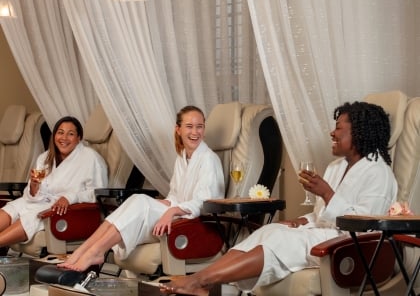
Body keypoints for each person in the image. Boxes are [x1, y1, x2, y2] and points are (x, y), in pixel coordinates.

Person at [160, 101, 398, 296]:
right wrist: (300, 222)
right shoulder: (336, 167)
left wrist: (326, 192)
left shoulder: (379, 173)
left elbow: (366, 225)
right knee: (267, 231)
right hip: (325, 232)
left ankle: (199, 280)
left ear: (358, 132)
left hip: (350, 244)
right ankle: (206, 281)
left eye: (338, 128)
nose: (332, 132)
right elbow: (320, 215)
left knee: (280, 241)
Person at [58, 105, 225, 271]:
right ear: (178, 129)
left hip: (194, 222)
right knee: (138, 200)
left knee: (141, 203)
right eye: (189, 126)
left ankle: (95, 252)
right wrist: (165, 206)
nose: (195, 132)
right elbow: (174, 196)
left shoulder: (209, 159)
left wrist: (171, 211)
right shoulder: (181, 158)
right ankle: (83, 250)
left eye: (199, 127)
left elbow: (204, 202)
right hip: (178, 215)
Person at [0, 116, 108, 248]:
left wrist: (69, 198)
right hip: (38, 201)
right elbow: (32, 194)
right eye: (60, 132)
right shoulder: (45, 157)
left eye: (71, 134)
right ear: (54, 135)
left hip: (66, 210)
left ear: (79, 138)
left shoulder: (91, 158)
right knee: (12, 208)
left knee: (33, 217)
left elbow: (98, 194)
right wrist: (34, 187)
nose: (64, 138)